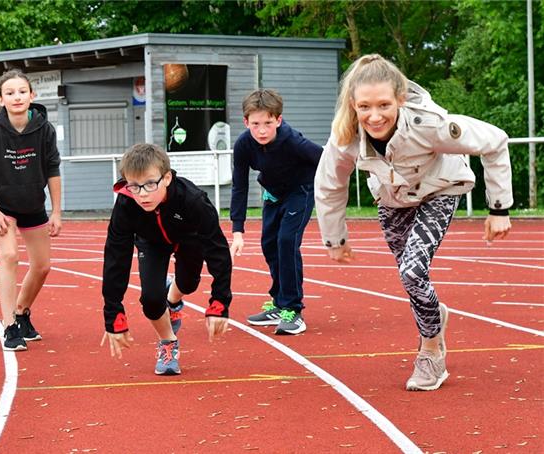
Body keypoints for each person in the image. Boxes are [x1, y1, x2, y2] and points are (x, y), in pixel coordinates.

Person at [314, 54, 512, 391]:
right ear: (353, 104)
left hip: (440, 190)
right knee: (412, 281)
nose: (374, 116)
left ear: (400, 99)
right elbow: (330, 185)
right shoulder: (344, 137)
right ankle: (436, 317)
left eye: (383, 105)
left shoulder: (430, 124)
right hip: (393, 201)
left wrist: (499, 208)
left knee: (412, 272)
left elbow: (494, 141)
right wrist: (336, 239)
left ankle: (431, 351)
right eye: (364, 107)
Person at [101, 143, 232, 375]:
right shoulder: (125, 204)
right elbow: (115, 257)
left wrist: (220, 302)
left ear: (167, 178)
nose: (142, 194)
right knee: (151, 299)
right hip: (151, 243)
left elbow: (217, 249)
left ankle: (173, 300)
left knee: (189, 283)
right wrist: (113, 313)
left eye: (151, 184)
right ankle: (167, 342)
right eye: (134, 186)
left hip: (188, 238)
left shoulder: (193, 200)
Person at [0, 69, 62, 352]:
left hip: (33, 203)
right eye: (10, 93)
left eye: (22, 91)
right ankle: (9, 326)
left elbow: (53, 169)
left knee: (43, 266)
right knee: (9, 256)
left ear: (32, 95)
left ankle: (22, 312)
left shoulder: (45, 130)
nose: (17, 97)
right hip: (3, 206)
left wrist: (56, 211)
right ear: (1, 98)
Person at [230, 89, 323, 335]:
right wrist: (237, 230)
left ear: (278, 121)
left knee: (286, 241)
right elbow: (240, 185)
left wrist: (330, 195)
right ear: (246, 122)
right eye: (256, 124)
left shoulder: (293, 141)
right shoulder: (243, 145)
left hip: (300, 191)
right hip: (273, 194)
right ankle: (279, 303)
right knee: (269, 244)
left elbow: (324, 160)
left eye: (268, 124)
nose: (262, 130)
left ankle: (293, 309)